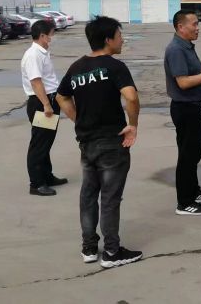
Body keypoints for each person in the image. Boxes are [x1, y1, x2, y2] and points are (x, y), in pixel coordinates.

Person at [56, 16, 142, 268]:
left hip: (86, 142)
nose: (122, 40)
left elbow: (61, 97)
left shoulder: (76, 67)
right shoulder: (115, 66)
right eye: (119, 35)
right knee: (110, 198)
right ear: (108, 39)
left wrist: (79, 119)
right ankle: (112, 252)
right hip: (112, 143)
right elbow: (131, 97)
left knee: (88, 195)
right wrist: (133, 125)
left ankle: (89, 247)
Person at [164, 10, 201, 216]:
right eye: (194, 24)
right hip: (186, 108)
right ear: (181, 27)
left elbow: (190, 73)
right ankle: (185, 202)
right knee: (187, 156)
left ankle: (193, 190)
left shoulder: (186, 46)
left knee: (194, 153)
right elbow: (183, 82)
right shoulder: (176, 49)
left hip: (194, 107)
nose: (198, 28)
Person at [21, 19, 66, 196]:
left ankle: (47, 176)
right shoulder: (33, 55)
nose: (51, 38)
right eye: (50, 35)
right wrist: (47, 105)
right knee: (39, 144)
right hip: (41, 103)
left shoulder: (42, 52)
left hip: (49, 100)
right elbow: (36, 82)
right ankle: (36, 183)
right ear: (42, 36)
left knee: (46, 142)